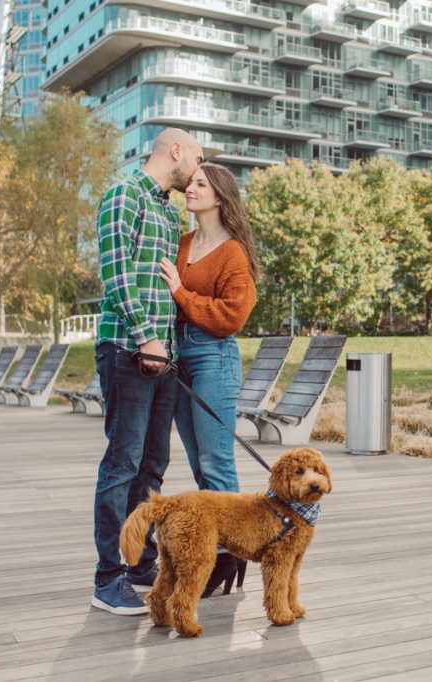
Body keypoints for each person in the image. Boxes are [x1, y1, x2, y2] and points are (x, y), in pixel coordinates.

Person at [91, 128, 204, 616]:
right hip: (127, 349)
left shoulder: (165, 208)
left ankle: (138, 561)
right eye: (198, 158)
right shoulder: (125, 195)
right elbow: (115, 275)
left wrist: (168, 347)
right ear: (175, 150)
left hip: (163, 358)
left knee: (153, 463)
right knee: (123, 463)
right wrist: (145, 337)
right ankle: (107, 577)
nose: (199, 169)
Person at [158, 162, 259, 594]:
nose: (190, 189)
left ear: (220, 196)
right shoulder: (180, 244)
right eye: (190, 183)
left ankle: (231, 554)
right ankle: (220, 551)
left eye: (200, 184)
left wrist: (181, 293)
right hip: (179, 357)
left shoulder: (233, 252)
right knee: (199, 462)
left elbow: (232, 316)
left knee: (217, 462)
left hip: (213, 357)